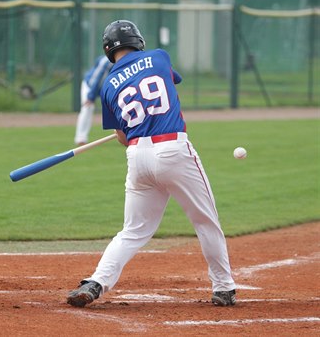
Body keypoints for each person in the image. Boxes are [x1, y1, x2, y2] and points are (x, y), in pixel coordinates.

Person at [66, 20, 237, 308]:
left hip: (137, 157)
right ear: (138, 40)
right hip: (173, 149)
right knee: (205, 220)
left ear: (108, 50)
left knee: (132, 231)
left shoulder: (108, 84)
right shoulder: (159, 57)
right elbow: (169, 83)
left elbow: (121, 136)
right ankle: (223, 288)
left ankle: (96, 282)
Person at [74, 55, 113, 146]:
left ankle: (124, 135)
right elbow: (95, 78)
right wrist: (90, 96)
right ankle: (80, 138)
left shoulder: (125, 59)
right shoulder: (106, 60)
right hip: (90, 85)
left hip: (107, 88)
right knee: (87, 108)